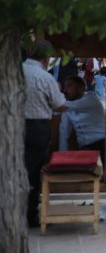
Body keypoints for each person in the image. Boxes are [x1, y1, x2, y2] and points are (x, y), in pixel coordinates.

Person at [22, 39, 67, 227]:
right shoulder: (44, 77)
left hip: (14, 126)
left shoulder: (16, 71)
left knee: (16, 168)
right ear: (45, 58)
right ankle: (30, 214)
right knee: (33, 171)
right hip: (37, 128)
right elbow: (60, 105)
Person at [58, 76, 106, 161]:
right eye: (64, 87)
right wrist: (62, 156)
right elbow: (64, 133)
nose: (65, 90)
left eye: (69, 86)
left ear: (81, 88)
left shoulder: (91, 98)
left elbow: (67, 106)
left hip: (101, 143)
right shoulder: (68, 108)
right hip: (85, 148)